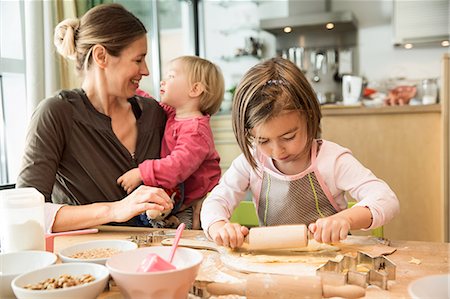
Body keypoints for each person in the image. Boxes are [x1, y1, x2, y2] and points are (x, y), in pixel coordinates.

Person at [201, 57, 400, 248]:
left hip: (330, 262)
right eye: (263, 141)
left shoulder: (332, 160)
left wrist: (345, 219)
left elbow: (386, 198)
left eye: (288, 137)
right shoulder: (250, 161)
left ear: (309, 116)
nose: (278, 151)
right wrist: (218, 226)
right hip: (276, 264)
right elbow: (217, 200)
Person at [16, 3, 173, 233]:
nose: (146, 70)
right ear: (101, 56)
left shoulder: (153, 113)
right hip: (83, 261)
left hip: (150, 255)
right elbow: (25, 212)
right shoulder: (56, 113)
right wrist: (114, 210)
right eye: (138, 60)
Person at [117, 56, 224, 229]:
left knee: (184, 241)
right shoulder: (174, 115)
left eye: (171, 76)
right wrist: (129, 89)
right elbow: (149, 102)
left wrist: (142, 173)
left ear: (195, 89)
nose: (163, 81)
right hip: (179, 198)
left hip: (192, 204)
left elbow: (177, 166)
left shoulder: (196, 130)